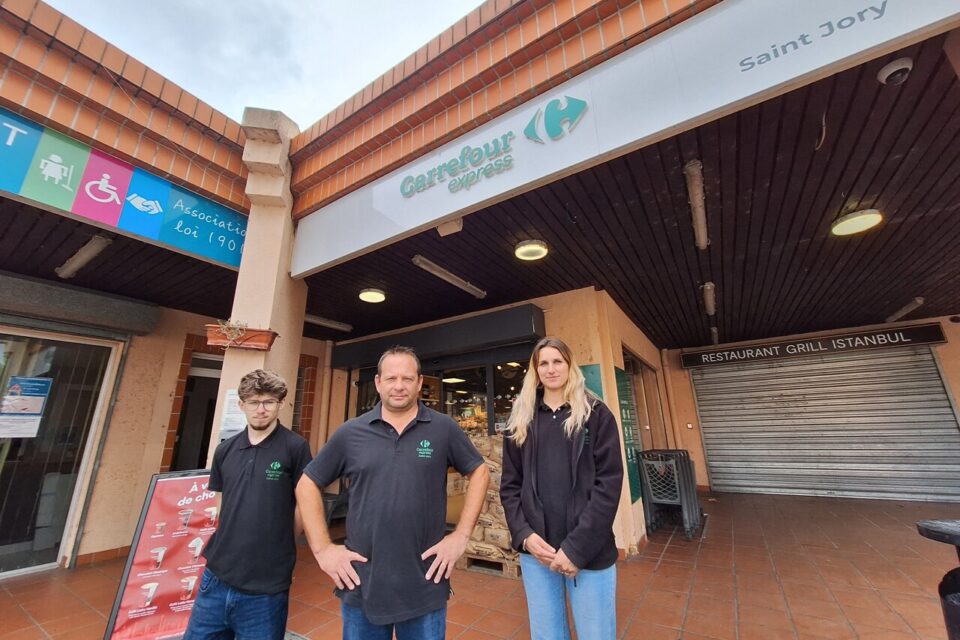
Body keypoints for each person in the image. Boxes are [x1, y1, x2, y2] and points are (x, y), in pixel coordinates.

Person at [296, 346, 489, 640]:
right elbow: (307, 482)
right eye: (391, 378)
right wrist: (323, 549)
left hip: (426, 581)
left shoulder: (443, 428)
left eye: (407, 378)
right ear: (378, 382)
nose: (399, 386)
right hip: (362, 582)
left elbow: (479, 471)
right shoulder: (351, 432)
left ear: (420, 383)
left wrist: (461, 535)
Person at [500, 337, 624, 640]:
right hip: (537, 553)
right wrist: (525, 537)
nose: (551, 369)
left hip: (589, 551)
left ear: (570, 365)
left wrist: (576, 548)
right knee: (546, 635)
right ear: (535, 369)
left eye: (558, 361)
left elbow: (609, 485)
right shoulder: (521, 419)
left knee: (596, 634)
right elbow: (509, 486)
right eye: (543, 362)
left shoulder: (596, 414)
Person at [183, 369, 312, 640]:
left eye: (268, 402)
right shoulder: (225, 450)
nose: (261, 409)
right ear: (241, 405)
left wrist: (283, 539)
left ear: (281, 404)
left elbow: (305, 503)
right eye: (253, 402)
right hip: (216, 577)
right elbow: (221, 502)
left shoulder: (295, 447)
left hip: (266, 586)